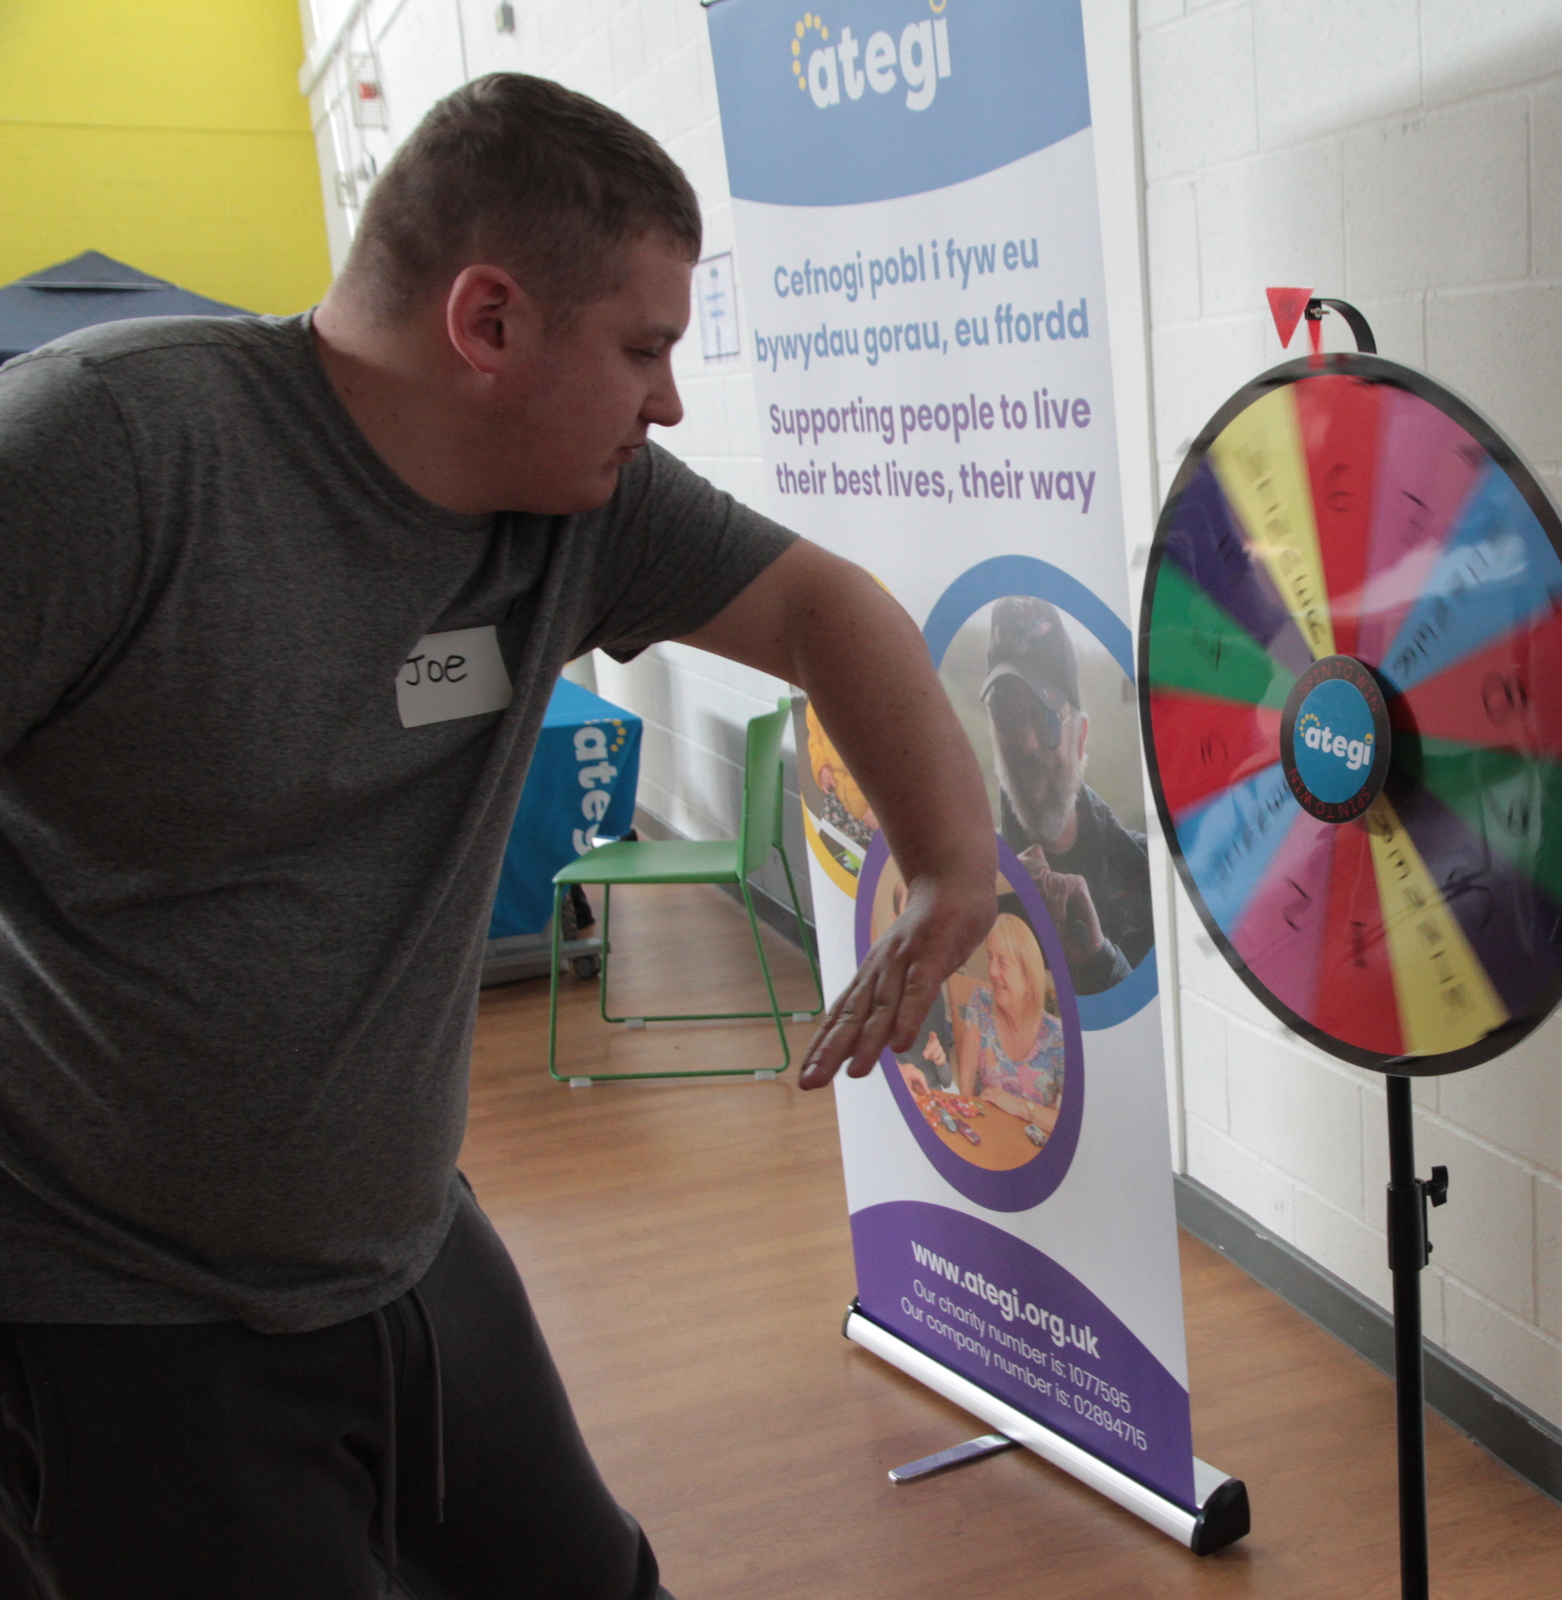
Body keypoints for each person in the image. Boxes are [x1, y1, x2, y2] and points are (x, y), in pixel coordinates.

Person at [0, 73, 994, 1598]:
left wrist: (953, 868)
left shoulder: (585, 508)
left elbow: (821, 606)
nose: (668, 399)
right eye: (644, 349)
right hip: (119, 1318)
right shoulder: (110, 455)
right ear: (487, 324)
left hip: (406, 1244)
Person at [980, 595, 1153, 996]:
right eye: (1005, 709)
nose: (1025, 742)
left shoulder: (1146, 872)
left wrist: (1098, 956)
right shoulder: (976, 877)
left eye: (1044, 717)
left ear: (1080, 738)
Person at [948, 912, 1066, 1134]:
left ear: (1028, 974)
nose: (991, 971)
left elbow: (1073, 1123)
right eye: (990, 956)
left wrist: (1019, 1106)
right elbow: (965, 1088)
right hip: (986, 1135)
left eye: (1002, 962)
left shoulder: (1058, 1037)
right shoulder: (981, 1003)